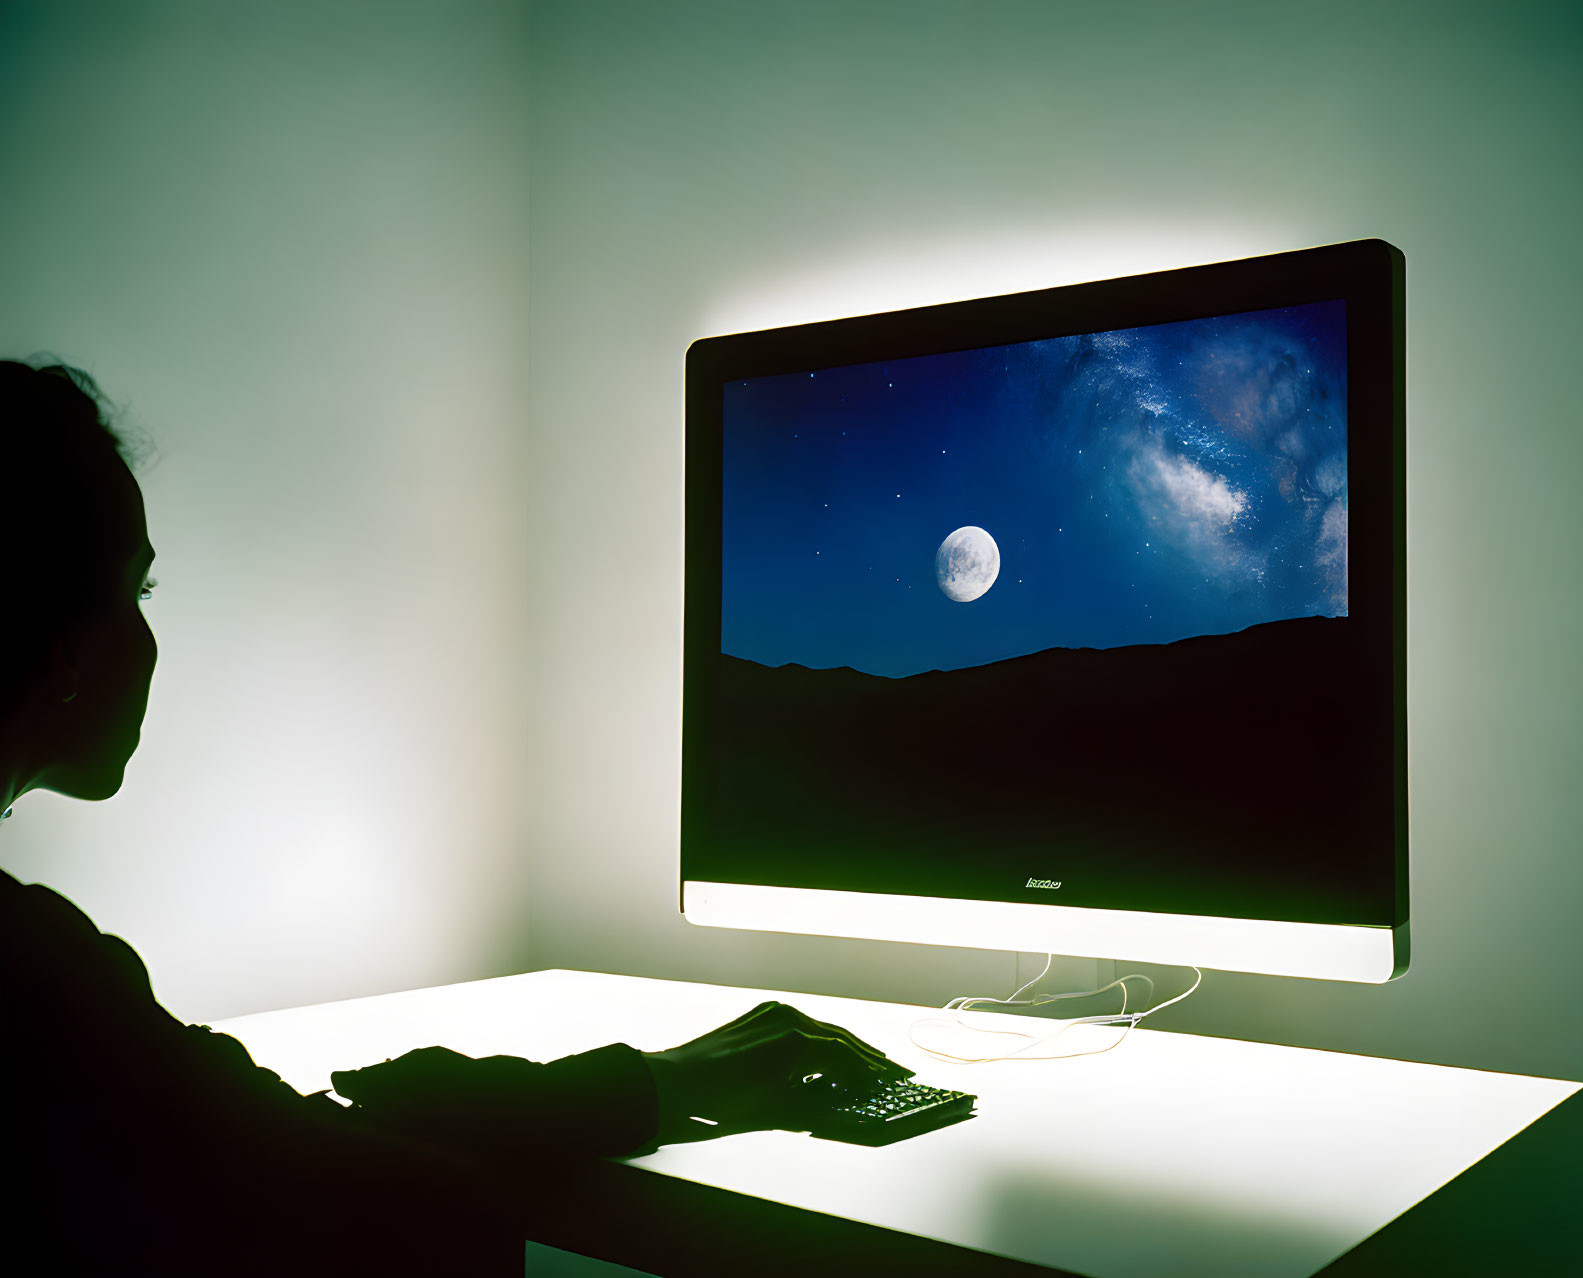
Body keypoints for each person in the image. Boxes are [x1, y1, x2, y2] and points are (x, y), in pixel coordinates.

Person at [0, 359, 911, 1275]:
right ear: (68, 650)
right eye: (137, 591)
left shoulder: (54, 989)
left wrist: (648, 1080)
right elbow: (358, 1187)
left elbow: (252, 1130)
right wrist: (662, 1082)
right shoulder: (42, 984)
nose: (150, 638)